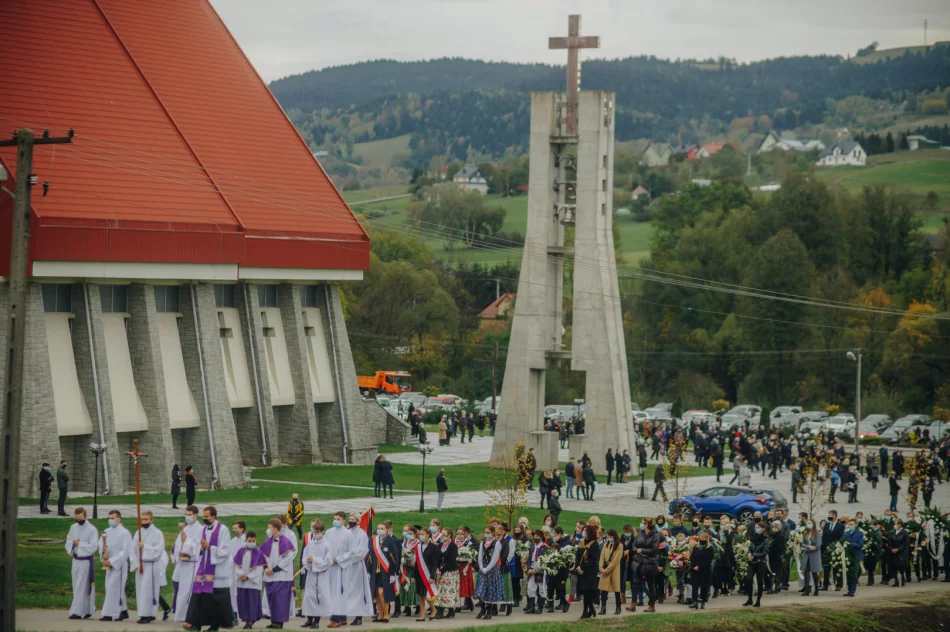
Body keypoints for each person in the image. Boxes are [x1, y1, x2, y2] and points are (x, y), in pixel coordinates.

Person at [185, 506, 234, 631]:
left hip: (217, 570)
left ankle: (215, 625)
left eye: (206, 516)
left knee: (215, 600)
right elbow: (197, 546)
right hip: (203, 568)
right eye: (204, 516)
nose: (204, 518)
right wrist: (201, 548)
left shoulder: (223, 530)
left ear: (213, 516)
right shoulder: (202, 529)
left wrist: (209, 547)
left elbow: (225, 551)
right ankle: (196, 623)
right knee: (199, 596)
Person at [129, 510, 167, 624]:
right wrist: (136, 563)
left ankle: (149, 614)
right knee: (141, 590)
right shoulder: (138, 533)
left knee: (148, 590)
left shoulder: (157, 533)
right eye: (142, 519)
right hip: (141, 565)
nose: (143, 521)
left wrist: (145, 546)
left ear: (151, 520)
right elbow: (132, 550)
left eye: (146, 519)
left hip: (151, 564)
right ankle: (143, 613)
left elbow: (158, 550)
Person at [261, 517, 296, 630]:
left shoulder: (285, 541)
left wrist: (275, 569)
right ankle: (273, 620)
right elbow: (262, 556)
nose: (268, 530)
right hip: (269, 575)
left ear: (275, 529)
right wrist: (266, 568)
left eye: (269, 528)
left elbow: (287, 559)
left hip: (281, 576)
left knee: (279, 599)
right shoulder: (268, 541)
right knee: (271, 598)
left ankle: (279, 622)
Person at [98, 510, 131, 622]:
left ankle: (108, 614)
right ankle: (123, 611)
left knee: (113, 588)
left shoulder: (125, 533)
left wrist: (112, 560)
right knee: (112, 588)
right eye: (109, 518)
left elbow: (125, 551)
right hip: (109, 564)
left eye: (113, 518)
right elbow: (101, 545)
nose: (111, 520)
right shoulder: (106, 531)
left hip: (119, 565)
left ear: (119, 518)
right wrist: (103, 552)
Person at [65, 506, 98, 620]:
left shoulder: (92, 529)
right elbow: (68, 542)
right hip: (76, 560)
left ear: (85, 516)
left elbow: (94, 547)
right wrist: (73, 544)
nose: (79, 521)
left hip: (85, 561)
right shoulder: (73, 527)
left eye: (80, 519)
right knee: (76, 585)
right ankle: (88, 609)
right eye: (77, 519)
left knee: (81, 585)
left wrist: (80, 544)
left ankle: (77, 612)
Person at [172, 505, 203, 622]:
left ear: (196, 515)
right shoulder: (184, 529)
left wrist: (188, 551)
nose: (187, 517)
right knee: (182, 590)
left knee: (191, 590)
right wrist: (179, 552)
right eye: (186, 514)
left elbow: (199, 546)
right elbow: (178, 544)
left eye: (189, 515)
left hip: (194, 564)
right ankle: (181, 615)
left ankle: (191, 614)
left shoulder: (201, 529)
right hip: (184, 564)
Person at [325, 511, 354, 628]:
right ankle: (341, 617)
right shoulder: (328, 532)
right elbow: (325, 547)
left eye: (339, 519)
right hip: (330, 566)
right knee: (332, 592)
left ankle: (337, 618)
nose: (336, 521)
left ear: (343, 521)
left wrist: (338, 559)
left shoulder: (348, 534)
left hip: (341, 567)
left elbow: (350, 551)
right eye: (335, 518)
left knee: (339, 592)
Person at [302, 519, 333, 629]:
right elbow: (304, 558)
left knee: (319, 596)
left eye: (316, 531)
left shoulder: (327, 545)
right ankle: (309, 618)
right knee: (309, 596)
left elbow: (327, 561)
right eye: (313, 531)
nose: (314, 533)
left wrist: (314, 560)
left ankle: (317, 620)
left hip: (321, 575)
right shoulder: (311, 543)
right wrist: (308, 562)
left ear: (321, 531)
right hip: (311, 574)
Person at [367, 520, 399, 624]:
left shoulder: (391, 541)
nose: (380, 530)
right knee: (376, 593)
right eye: (379, 528)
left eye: (382, 529)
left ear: (387, 530)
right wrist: (368, 570)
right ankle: (379, 615)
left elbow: (395, 557)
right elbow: (369, 555)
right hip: (374, 571)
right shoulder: (374, 540)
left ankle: (386, 615)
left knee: (382, 593)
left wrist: (393, 573)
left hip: (386, 572)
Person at [234, 530, 266, 630]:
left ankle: (250, 622)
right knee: (243, 602)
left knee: (251, 602)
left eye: (253, 541)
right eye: (249, 541)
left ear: (256, 540)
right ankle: (247, 619)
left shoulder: (259, 553)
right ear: (245, 540)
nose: (251, 543)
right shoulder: (241, 551)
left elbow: (259, 569)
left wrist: (248, 576)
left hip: (252, 583)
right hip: (242, 581)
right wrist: (241, 575)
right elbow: (236, 566)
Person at [628, 517, 659, 613]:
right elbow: (634, 545)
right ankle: (633, 604)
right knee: (635, 583)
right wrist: (637, 550)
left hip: (650, 563)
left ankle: (652, 605)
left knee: (651, 584)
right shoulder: (640, 533)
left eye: (643, 523)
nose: (642, 525)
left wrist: (642, 550)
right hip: (638, 561)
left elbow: (654, 550)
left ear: (647, 524)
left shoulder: (655, 535)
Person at [474, 525, 503, 620]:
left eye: (488, 532)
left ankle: (489, 611)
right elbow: (480, 556)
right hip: (483, 567)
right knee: (480, 590)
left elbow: (495, 558)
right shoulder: (483, 542)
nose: (486, 534)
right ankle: (482, 608)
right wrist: (481, 567)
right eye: (485, 532)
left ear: (493, 533)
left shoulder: (497, 543)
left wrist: (487, 568)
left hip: (492, 569)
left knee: (490, 591)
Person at [742, 520, 770, 607]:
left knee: (759, 581)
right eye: (756, 528)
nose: (756, 529)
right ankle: (749, 599)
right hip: (752, 561)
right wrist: (749, 554)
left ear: (763, 529)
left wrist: (753, 555)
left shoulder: (765, 540)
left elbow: (764, 552)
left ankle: (758, 600)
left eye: (758, 528)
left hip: (760, 562)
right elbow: (750, 547)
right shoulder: (752, 538)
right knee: (749, 579)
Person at [575, 524, 600, 619]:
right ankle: (591, 609)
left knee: (588, 592)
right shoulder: (581, 543)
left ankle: (586, 611)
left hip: (589, 571)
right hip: (581, 570)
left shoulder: (594, 544)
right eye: (583, 530)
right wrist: (578, 566)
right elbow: (578, 555)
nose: (584, 532)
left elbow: (592, 560)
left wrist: (582, 567)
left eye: (586, 530)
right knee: (584, 592)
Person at [435, 527, 460, 618]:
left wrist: (442, 570)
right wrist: (437, 568)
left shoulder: (453, 546)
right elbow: (437, 558)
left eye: (444, 535)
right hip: (440, 571)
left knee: (447, 592)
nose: (443, 537)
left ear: (449, 535)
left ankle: (441, 611)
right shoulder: (440, 545)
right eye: (442, 535)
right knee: (440, 591)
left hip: (450, 571)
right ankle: (450, 610)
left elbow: (451, 561)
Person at [598, 528, 623, 615]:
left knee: (616, 590)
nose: (609, 538)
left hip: (614, 570)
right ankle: (603, 608)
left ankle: (618, 607)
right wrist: (601, 568)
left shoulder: (619, 545)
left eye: (610, 537)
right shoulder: (606, 543)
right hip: (604, 570)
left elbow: (615, 561)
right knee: (603, 590)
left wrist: (607, 570)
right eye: (608, 537)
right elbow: (602, 556)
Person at [688, 532, 714, 609]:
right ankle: (694, 602)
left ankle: (703, 601)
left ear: (707, 539)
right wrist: (693, 566)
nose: (701, 539)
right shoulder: (696, 547)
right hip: (695, 570)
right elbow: (692, 558)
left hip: (704, 570)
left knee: (703, 587)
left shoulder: (710, 548)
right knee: (694, 586)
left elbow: (708, 560)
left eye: (703, 538)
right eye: (700, 538)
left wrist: (700, 566)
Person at [229, 521, 248, 623]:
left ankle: (245, 615)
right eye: (233, 528)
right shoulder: (233, 541)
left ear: (242, 529)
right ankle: (234, 615)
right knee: (233, 593)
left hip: (243, 570)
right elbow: (230, 554)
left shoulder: (246, 541)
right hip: (233, 570)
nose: (234, 530)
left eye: (236, 528)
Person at [800, 519, 822, 596]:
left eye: (809, 523)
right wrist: (809, 546)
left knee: (814, 572)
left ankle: (816, 588)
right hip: (806, 554)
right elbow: (802, 544)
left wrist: (813, 547)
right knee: (806, 571)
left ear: (813, 524)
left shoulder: (817, 533)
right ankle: (806, 589)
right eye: (807, 523)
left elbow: (818, 545)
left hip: (814, 555)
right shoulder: (805, 533)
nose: (808, 524)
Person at [843, 519, 864, 597]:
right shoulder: (845, 534)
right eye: (849, 524)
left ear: (855, 525)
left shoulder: (860, 534)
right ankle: (849, 590)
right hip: (848, 556)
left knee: (854, 574)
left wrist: (851, 544)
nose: (850, 526)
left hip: (856, 556)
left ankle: (852, 590)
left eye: (852, 524)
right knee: (849, 574)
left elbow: (860, 544)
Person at [889, 519, 909, 587]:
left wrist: (898, 549)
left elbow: (905, 543)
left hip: (901, 552)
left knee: (901, 566)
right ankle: (896, 581)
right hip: (894, 551)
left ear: (900, 524)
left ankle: (903, 579)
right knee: (894, 566)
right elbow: (890, 541)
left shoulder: (904, 532)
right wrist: (891, 548)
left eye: (896, 524)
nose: (895, 525)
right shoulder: (893, 532)